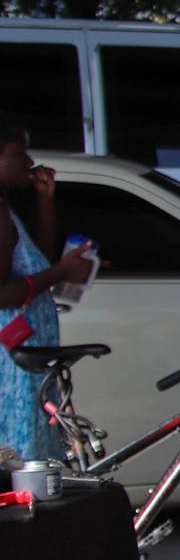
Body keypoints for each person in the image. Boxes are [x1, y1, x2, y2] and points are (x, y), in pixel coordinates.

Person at [0, 117, 93, 460]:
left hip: (25, 357)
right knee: (21, 458)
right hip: (12, 362)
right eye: (18, 154)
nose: (28, 162)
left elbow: (34, 262)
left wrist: (44, 201)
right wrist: (61, 271)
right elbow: (2, 293)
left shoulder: (6, 207)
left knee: (35, 454)